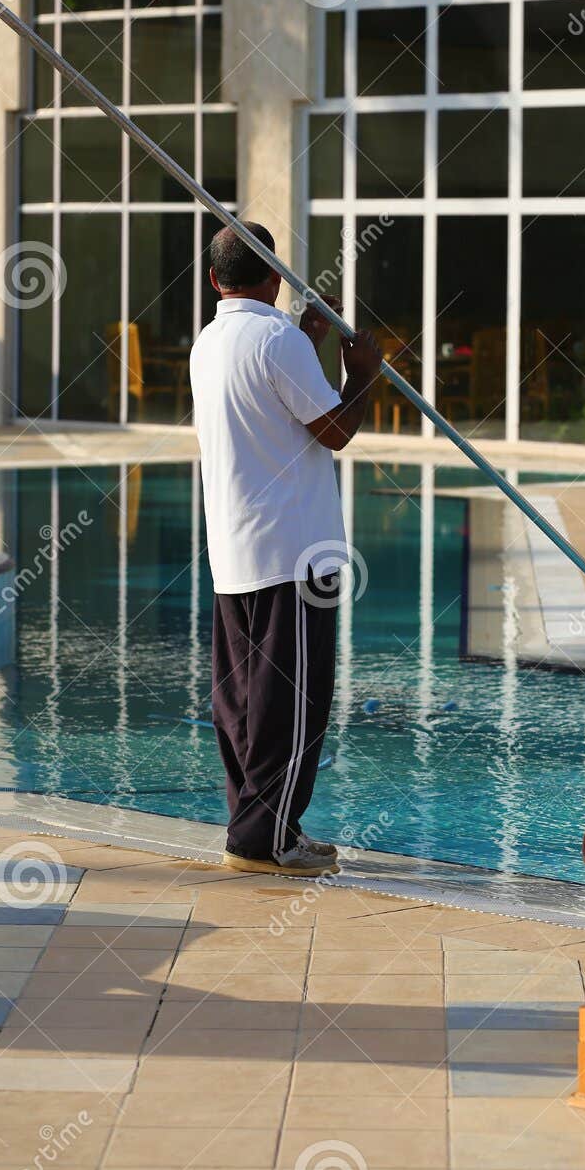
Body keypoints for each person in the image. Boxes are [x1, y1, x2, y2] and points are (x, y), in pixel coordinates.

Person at [189, 221, 382, 876]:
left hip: (236, 551)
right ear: (274, 277)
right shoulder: (275, 339)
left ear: (214, 280)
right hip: (296, 553)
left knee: (246, 702)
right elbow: (332, 431)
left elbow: (267, 403)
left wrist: (304, 343)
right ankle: (263, 840)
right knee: (292, 703)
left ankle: (258, 827)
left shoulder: (209, 342)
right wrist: (364, 375)